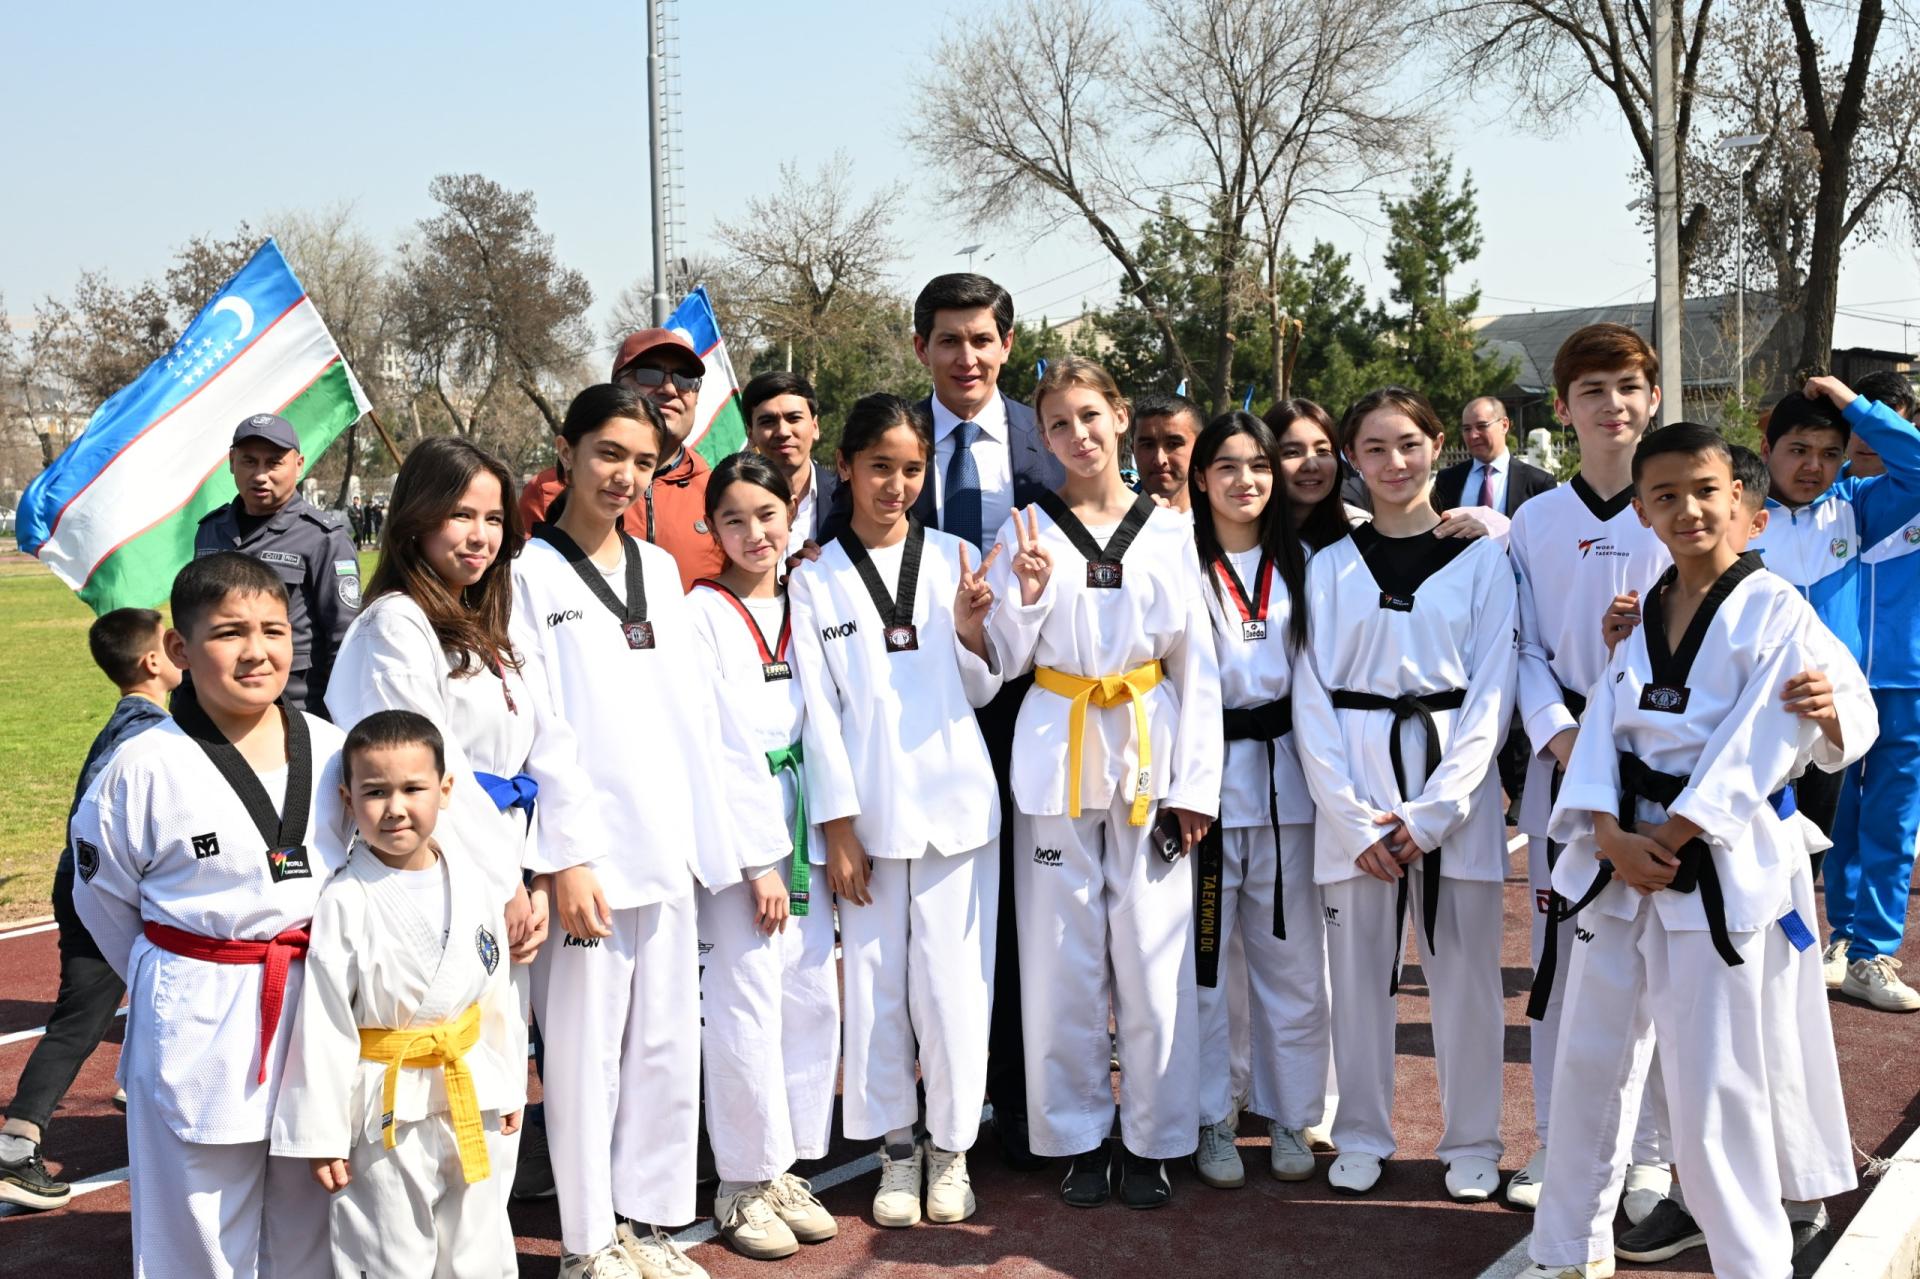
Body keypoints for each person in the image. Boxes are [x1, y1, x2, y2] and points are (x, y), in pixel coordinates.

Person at [1522, 422, 1859, 1279]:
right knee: (1589, 1058)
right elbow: (1603, 723)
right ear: (1641, 510)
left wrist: (1668, 837)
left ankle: (1753, 1261)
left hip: (1708, 864)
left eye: (1706, 491)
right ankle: (1570, 1246)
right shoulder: (1642, 612)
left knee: (1714, 1082)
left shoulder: (1776, 608)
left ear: (1740, 498)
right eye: (1665, 496)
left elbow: (1763, 741)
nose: (1688, 509)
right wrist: (1606, 831)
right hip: (1619, 861)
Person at [511, 384, 785, 1279]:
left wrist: (726, 842)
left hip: (667, 849)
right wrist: (566, 857)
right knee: (586, 1059)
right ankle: (588, 1242)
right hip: (588, 863)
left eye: (641, 461)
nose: (624, 475)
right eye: (607, 454)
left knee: (665, 1049)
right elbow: (539, 726)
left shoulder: (662, 571)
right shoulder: (526, 575)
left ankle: (652, 1222)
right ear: (567, 451)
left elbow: (696, 716)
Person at [821, 273, 1064, 1169]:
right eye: (949, 339)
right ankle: (907, 1123)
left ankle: (1014, 1102)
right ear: (920, 345)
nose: (968, 356)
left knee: (1013, 928)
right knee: (897, 954)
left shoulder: (1051, 444)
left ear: (1007, 345)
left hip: (1029, 705)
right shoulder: (887, 443)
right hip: (905, 726)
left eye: (983, 339)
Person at [325, 435, 592, 1225]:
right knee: (431, 1097)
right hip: (434, 879)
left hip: (506, 869)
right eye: (460, 515)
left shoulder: (488, 622)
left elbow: (546, 746)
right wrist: (504, 882)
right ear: (415, 518)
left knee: (495, 1076)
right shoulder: (395, 625)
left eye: (493, 518)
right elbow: (427, 773)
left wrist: (545, 867)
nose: (480, 535)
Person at [69, 553, 354, 1278]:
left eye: (273, 630)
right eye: (230, 632)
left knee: (312, 1220)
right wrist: (178, 966)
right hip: (199, 1010)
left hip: (315, 1009)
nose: (257, 651)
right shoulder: (141, 766)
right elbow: (103, 900)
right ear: (179, 649)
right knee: (197, 1226)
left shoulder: (332, 748)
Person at [981, 357, 1221, 1210]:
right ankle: (1077, 1133)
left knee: (1154, 953)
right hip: (1058, 740)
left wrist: (1197, 785)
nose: (1077, 435)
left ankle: (1155, 1135)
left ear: (1119, 418)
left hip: (1149, 746)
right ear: (1042, 438)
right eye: (1058, 423)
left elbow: (1197, 663)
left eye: (1090, 416)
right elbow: (1004, 659)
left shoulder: (1172, 528)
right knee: (1062, 957)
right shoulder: (1024, 528)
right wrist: (1022, 600)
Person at [1292, 386, 1517, 1202]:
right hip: (1355, 785)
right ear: (1352, 458)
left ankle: (1473, 1139)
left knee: (1467, 982)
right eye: (1375, 448)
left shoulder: (1483, 558)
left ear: (1437, 445)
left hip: (1453, 784)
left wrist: (1434, 815)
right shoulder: (1328, 564)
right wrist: (1353, 818)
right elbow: (1310, 694)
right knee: (1356, 981)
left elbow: (1493, 691)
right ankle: (1360, 1130)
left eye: (1410, 444)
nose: (1394, 462)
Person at [789, 393, 1004, 1229]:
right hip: (870, 821)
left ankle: (951, 1150)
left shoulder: (955, 556)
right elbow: (817, 712)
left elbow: (981, 686)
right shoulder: (813, 578)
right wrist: (838, 827)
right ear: (844, 466)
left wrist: (972, 631)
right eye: (880, 466)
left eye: (912, 468)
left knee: (953, 993)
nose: (897, 484)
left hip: (956, 809)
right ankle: (896, 1148)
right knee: (877, 994)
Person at [1503, 323, 1673, 1213]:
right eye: (1593, 390)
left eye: (1628, 386)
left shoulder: (1676, 507)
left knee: (1657, 965)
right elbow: (1521, 647)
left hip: (1661, 760)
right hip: (1564, 765)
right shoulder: (1534, 520)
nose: (1613, 405)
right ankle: (1554, 1140)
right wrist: (1563, 737)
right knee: (1559, 962)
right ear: (1564, 408)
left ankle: (1651, 1156)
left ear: (1653, 397)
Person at [271, 710, 525, 1279]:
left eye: (413, 789)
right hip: (384, 1104)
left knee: (479, 1251)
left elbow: (494, 994)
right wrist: (322, 1133)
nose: (395, 808)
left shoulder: (472, 881)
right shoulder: (347, 899)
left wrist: (507, 1078)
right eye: (375, 792)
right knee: (387, 1253)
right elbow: (326, 1022)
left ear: (445, 789)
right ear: (347, 798)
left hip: (471, 1085)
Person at [686, 453, 841, 1261]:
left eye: (768, 515)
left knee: (809, 996)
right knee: (744, 1003)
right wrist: (756, 861)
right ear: (712, 527)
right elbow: (714, 745)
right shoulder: (700, 613)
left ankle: (783, 1165)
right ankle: (740, 1181)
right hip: (741, 835)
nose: (754, 533)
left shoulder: (805, 598)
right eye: (734, 519)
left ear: (792, 517)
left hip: (805, 818)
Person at [1186, 410, 1329, 1191]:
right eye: (1228, 466)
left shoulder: (1306, 563)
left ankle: (1287, 1110)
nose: (1246, 480)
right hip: (1205, 795)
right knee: (1208, 968)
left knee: (1291, 962)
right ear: (1201, 477)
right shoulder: (1180, 561)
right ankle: (1213, 1112)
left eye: (1260, 466)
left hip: (1288, 790)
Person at [0, 609, 180, 1211]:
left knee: (151, 991)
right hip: (98, 891)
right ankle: (17, 1146)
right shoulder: (144, 733)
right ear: (153, 661)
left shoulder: (133, 721)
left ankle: (134, 1085)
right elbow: (98, 823)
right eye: (171, 640)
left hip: (88, 884)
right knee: (83, 1018)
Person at [1749, 376, 1920, 861]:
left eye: (1829, 454)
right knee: (1750, 862)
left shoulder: (1855, 505)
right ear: (1767, 449)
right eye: (1798, 450)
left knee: (1810, 864)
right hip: (1755, 716)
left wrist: (1854, 405)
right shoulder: (1738, 513)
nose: (1813, 466)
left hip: (1828, 714)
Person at [1811, 376, 1920, 1012]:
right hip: (1837, 685)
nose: (1866, 438)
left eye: (1884, 424)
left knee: (1893, 822)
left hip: (1907, 682)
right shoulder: (1833, 499)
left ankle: (1873, 949)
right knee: (1838, 820)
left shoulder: (1907, 490)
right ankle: (1843, 938)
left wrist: (1854, 402)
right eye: (1853, 429)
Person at [519, 331, 727, 592]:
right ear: (616, 387)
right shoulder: (547, 490)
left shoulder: (719, 492)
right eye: (650, 374)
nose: (670, 389)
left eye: (685, 379)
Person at [193, 412, 362, 715]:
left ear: (298, 465)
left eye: (273, 463)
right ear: (231, 461)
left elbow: (345, 640)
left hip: (293, 707)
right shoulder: (210, 530)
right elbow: (195, 622)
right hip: (216, 705)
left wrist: (340, 719)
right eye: (249, 461)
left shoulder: (323, 538)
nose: (260, 475)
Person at [744, 370, 838, 551]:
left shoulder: (849, 500)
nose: (783, 432)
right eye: (768, 421)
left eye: (794, 418)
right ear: (751, 435)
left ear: (815, 427)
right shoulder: (733, 504)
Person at [1433, 396, 1556, 516]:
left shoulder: (1538, 483)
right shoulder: (1447, 479)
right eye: (1467, 429)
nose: (1473, 435)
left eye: (1482, 426)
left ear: (1504, 425)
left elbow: (1548, 527)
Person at [1131, 391, 1204, 512]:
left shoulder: (1224, 517)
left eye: (1173, 444)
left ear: (1199, 449)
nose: (1160, 460)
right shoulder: (1110, 518)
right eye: (1148, 445)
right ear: (1133, 450)